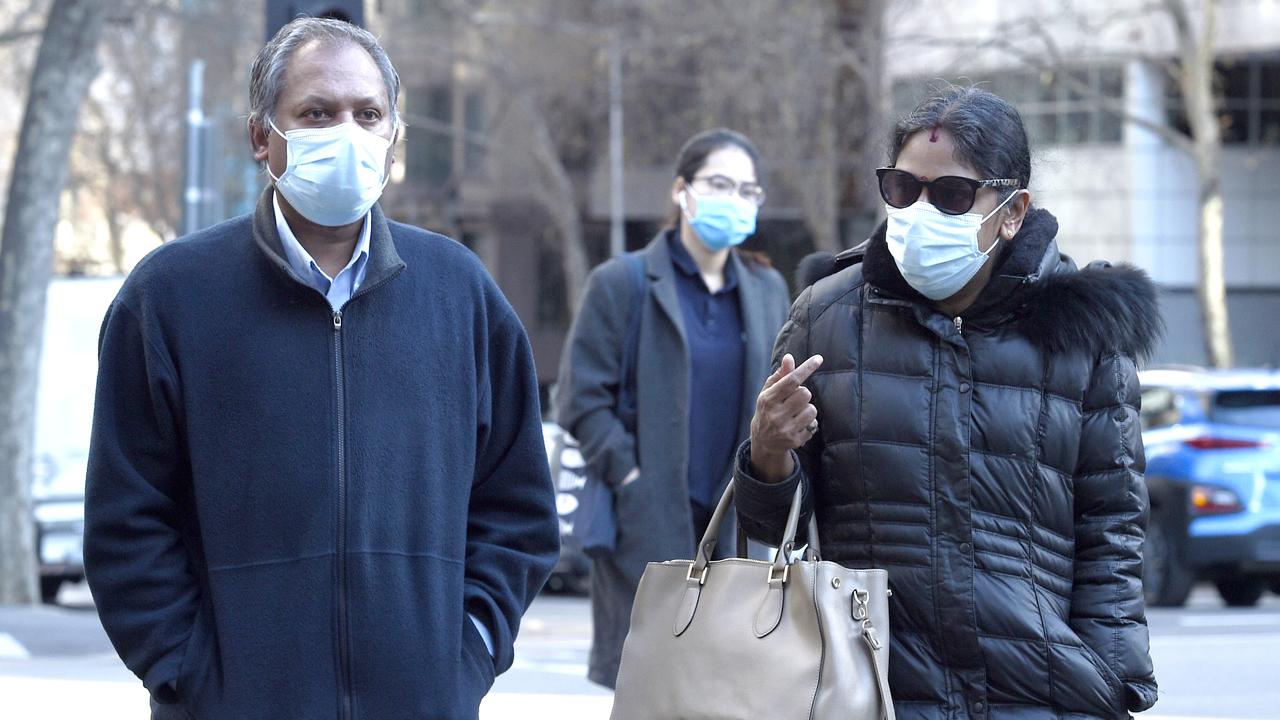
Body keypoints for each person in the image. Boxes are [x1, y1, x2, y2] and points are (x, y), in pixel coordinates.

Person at [83, 17, 559, 720]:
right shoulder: (169, 298)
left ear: (395, 137)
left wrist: (469, 654)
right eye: (316, 113)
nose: (347, 132)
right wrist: (188, 672)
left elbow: (516, 509)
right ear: (260, 138)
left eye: (368, 114)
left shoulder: (461, 293)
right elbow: (126, 518)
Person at [735, 84, 1161, 719]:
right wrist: (767, 453)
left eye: (952, 195)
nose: (920, 211)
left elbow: (1112, 532)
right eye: (903, 189)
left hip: (1040, 695)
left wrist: (1108, 684)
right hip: (874, 690)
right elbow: (777, 531)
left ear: (1012, 210)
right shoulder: (826, 318)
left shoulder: (1084, 337)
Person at [556, 128, 791, 689]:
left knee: (729, 690)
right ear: (682, 191)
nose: (732, 198)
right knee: (649, 687)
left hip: (738, 523)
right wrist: (629, 476)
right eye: (718, 183)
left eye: (746, 190)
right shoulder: (623, 282)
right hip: (648, 523)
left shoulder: (766, 289)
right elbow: (579, 398)